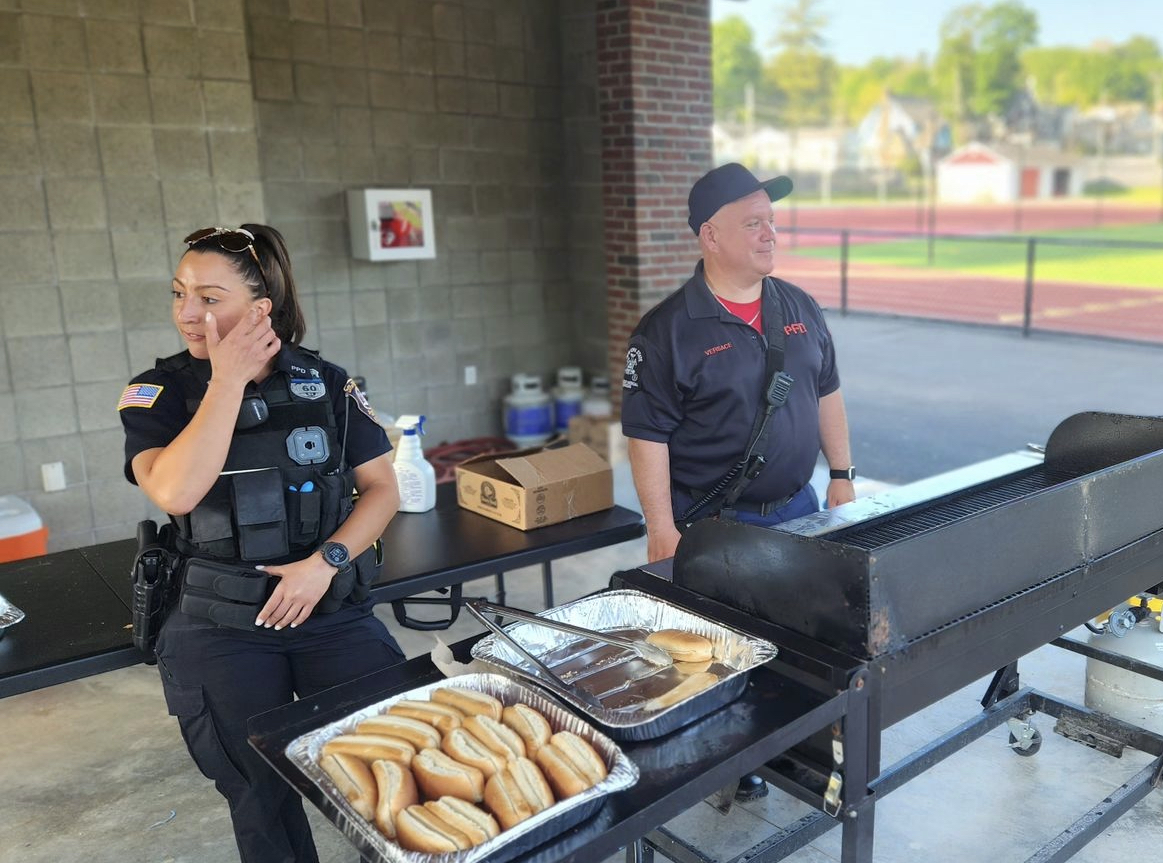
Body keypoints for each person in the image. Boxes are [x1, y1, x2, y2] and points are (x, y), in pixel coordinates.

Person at [118, 224, 405, 863]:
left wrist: (324, 564)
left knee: (393, 764)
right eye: (178, 293)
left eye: (209, 297)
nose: (187, 313)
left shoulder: (327, 383)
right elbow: (176, 492)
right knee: (260, 795)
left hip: (329, 607)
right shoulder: (158, 393)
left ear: (260, 308)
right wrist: (226, 381)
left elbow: (381, 488)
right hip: (219, 624)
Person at [621, 165, 856, 801]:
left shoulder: (797, 305)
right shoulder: (667, 330)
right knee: (718, 654)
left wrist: (841, 477)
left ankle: (802, 759)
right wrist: (661, 528)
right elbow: (647, 436)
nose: (769, 233)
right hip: (717, 524)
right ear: (711, 236)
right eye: (753, 222)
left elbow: (826, 391)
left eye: (771, 221)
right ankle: (725, 766)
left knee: (805, 641)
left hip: (803, 509)